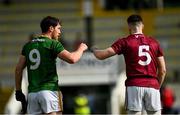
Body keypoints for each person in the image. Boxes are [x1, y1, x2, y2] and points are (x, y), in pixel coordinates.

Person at [92, 14, 166, 114]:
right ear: (142, 26)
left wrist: (94, 50)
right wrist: (157, 86)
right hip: (152, 84)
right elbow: (163, 70)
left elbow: (103, 55)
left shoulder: (125, 42)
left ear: (129, 26)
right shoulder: (154, 42)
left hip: (134, 85)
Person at [15, 16, 88, 114]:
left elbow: (18, 69)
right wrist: (81, 48)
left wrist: (19, 91)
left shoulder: (28, 45)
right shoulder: (53, 44)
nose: (60, 32)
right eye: (58, 28)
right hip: (49, 91)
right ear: (51, 28)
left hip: (32, 94)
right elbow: (72, 59)